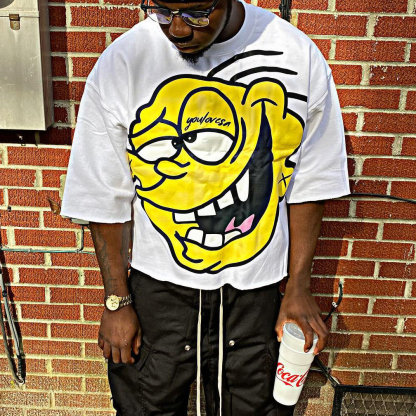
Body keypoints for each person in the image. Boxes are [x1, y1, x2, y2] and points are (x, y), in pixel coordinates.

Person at [61, 0, 350, 414]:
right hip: (160, 290)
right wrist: (117, 301)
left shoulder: (295, 54)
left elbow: (312, 180)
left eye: (196, 12)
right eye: (161, 10)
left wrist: (298, 287)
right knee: (147, 403)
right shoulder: (123, 63)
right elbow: (103, 193)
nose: (177, 29)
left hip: (256, 292)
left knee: (256, 406)